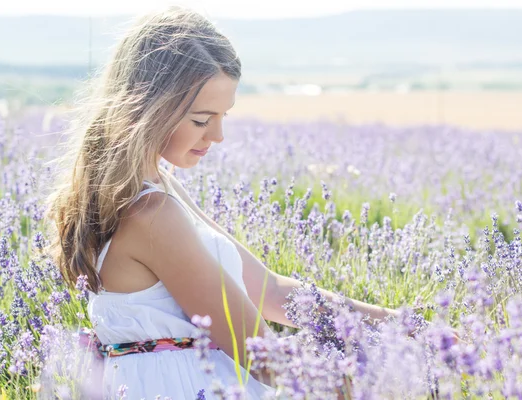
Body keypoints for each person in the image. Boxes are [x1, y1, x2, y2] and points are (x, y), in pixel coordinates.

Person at [45, 6, 403, 399]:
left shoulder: (158, 189)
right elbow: (259, 353)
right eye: (201, 119)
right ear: (149, 109)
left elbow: (269, 291)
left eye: (223, 116)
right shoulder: (151, 215)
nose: (217, 135)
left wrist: (399, 326)